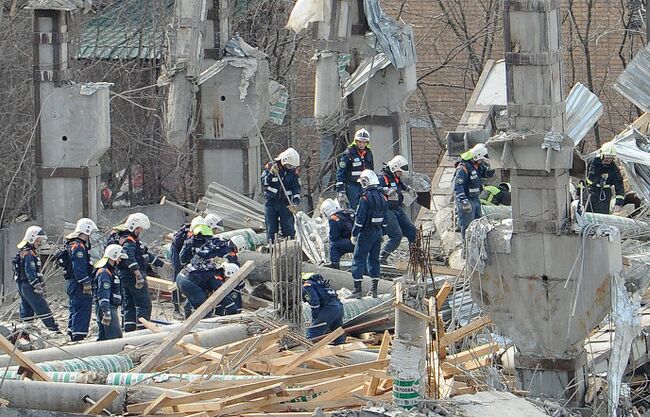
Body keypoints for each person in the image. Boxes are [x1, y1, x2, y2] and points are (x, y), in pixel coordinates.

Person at [12, 226, 59, 332]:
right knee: (41, 306)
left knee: (26, 306)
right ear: (32, 238)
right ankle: (53, 328)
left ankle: (25, 329)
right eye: (39, 241)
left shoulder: (23, 252)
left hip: (22, 285)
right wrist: (36, 284)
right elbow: (30, 271)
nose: (40, 243)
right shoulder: (29, 254)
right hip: (29, 285)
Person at [350, 169, 387, 299]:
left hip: (366, 233)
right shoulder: (382, 197)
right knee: (374, 260)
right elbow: (385, 218)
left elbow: (360, 218)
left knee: (358, 259)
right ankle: (374, 290)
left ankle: (357, 290)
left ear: (365, 182)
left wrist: (354, 234)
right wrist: (382, 233)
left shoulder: (365, 198)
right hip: (378, 232)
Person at [116, 213, 153, 332]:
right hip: (133, 276)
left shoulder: (127, 240)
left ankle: (129, 329)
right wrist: (138, 274)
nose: (140, 231)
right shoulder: (129, 242)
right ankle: (143, 330)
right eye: (140, 229)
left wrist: (162, 264)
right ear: (134, 227)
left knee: (129, 303)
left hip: (125, 276)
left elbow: (144, 255)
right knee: (144, 304)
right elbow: (129, 257)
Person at [63, 218, 98, 341]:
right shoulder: (79, 247)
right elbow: (79, 267)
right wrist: (86, 282)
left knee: (74, 307)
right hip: (78, 283)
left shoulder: (72, 244)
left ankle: (72, 331)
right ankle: (78, 335)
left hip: (72, 282)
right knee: (82, 307)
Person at [378, 155, 417, 265]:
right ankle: (383, 256)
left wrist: (407, 188)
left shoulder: (395, 178)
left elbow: (399, 184)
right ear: (395, 168)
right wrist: (385, 190)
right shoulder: (382, 177)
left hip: (397, 208)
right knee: (396, 236)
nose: (401, 174)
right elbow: (376, 188)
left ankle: (415, 256)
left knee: (412, 232)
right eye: (400, 172)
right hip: (387, 210)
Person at [454, 143, 495, 244]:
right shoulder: (463, 168)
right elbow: (458, 187)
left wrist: (491, 166)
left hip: (476, 199)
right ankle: (466, 249)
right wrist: (464, 202)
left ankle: (477, 246)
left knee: (478, 223)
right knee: (468, 226)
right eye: (481, 159)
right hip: (467, 200)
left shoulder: (477, 166)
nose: (482, 161)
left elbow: (488, 174)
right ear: (476, 156)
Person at [261, 147, 301, 242]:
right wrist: (271, 174)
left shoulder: (293, 173)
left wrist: (295, 203)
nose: (291, 167)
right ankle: (271, 249)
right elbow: (264, 182)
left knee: (288, 229)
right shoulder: (271, 167)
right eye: (289, 165)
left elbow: (296, 188)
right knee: (271, 228)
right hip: (271, 202)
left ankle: (290, 247)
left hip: (285, 203)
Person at [94, 244, 127, 341]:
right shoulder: (104, 273)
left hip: (109, 307)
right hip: (107, 307)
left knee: (104, 339)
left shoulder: (110, 272)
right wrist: (106, 312)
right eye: (119, 257)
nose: (120, 260)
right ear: (114, 256)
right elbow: (103, 294)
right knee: (115, 338)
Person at [301, 272, 345, 344]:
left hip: (329, 309)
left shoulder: (307, 286)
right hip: (339, 306)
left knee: (313, 332)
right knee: (337, 332)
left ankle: (308, 352)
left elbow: (315, 302)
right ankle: (341, 349)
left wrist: (315, 316)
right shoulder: (320, 284)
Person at [336, 128, 374, 210]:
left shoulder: (368, 153)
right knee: (354, 209)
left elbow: (371, 170)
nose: (362, 144)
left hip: (365, 186)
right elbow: (340, 172)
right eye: (360, 142)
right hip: (352, 186)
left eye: (364, 142)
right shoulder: (349, 153)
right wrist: (341, 190)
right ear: (356, 141)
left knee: (367, 208)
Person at [586, 141, 625, 214]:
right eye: (607, 156)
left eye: (611, 157)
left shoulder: (614, 170)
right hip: (589, 193)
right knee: (586, 215)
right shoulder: (592, 163)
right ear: (602, 154)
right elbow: (583, 177)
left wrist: (618, 203)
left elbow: (619, 186)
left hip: (604, 196)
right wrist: (578, 192)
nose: (609, 159)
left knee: (601, 216)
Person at [320, 198, 355, 270]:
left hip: (352, 242)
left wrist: (328, 239)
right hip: (357, 240)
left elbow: (334, 237)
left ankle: (334, 263)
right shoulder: (344, 213)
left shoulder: (333, 219)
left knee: (334, 244)